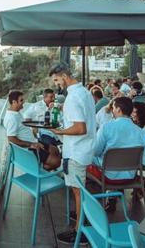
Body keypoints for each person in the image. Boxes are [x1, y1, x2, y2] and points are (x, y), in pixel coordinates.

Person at [47, 62, 96, 245]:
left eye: (57, 80)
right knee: (79, 190)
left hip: (76, 151)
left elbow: (80, 127)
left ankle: (80, 233)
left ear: (65, 77)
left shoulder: (73, 98)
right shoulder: (85, 92)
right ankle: (84, 219)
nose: (57, 84)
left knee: (78, 192)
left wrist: (60, 132)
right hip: (85, 149)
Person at [89, 97, 145, 210]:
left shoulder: (106, 127)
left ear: (118, 109)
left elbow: (95, 151)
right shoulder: (142, 133)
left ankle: (90, 208)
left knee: (83, 164)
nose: (112, 111)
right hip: (130, 177)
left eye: (113, 108)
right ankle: (111, 197)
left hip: (107, 177)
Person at [3, 90, 61, 171]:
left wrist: (34, 129)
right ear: (14, 102)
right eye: (21, 100)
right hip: (29, 148)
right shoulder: (11, 118)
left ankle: (45, 164)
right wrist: (31, 144)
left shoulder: (16, 113)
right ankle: (41, 170)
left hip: (34, 141)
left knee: (54, 149)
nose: (24, 102)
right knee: (57, 162)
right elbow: (11, 139)